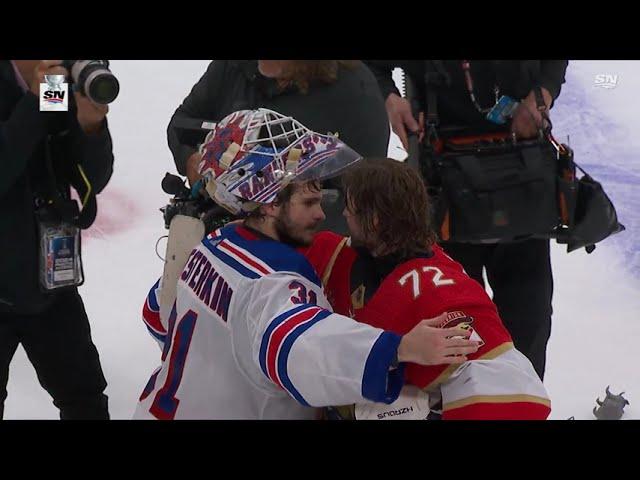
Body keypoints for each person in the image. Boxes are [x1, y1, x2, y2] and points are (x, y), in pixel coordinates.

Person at [135, 109, 479, 420]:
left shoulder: (214, 244)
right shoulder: (271, 281)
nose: (321, 213)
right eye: (308, 202)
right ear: (268, 204)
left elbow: (158, 314)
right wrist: (398, 348)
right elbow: (299, 348)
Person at [365, 60, 569, 379]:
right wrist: (391, 100)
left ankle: (522, 403)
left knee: (529, 320)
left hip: (521, 178)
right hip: (445, 188)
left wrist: (542, 94)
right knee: (456, 326)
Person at [302, 159, 551, 419]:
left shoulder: (432, 293)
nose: (344, 214)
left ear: (374, 220)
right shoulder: (353, 255)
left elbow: (514, 393)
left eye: (349, 207)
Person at [0, 60, 113, 419]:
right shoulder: (42, 86)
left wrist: (90, 127)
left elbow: (81, 175)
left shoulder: (55, 82)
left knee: (85, 400)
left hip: (49, 282)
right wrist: (35, 100)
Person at [167, 60, 390, 233]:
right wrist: (191, 160)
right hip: (217, 234)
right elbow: (182, 123)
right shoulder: (233, 67)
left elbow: (368, 193)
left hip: (302, 255)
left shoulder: (355, 91)